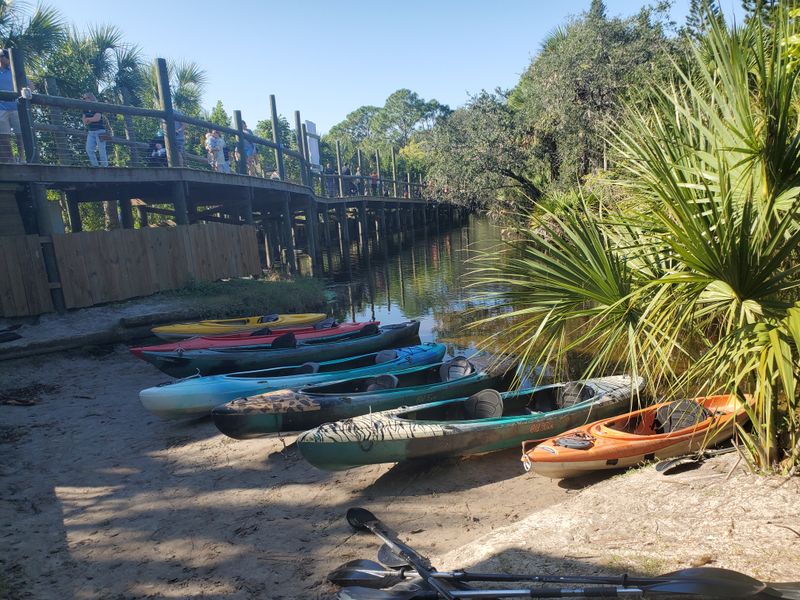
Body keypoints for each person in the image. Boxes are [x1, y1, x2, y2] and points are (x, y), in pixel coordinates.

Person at [0, 49, 21, 163]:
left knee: (20, 134)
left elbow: (29, 85)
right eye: (4, 56)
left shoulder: (15, 72)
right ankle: (10, 159)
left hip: (16, 107)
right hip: (1, 108)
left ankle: (22, 158)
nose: (6, 58)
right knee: (4, 136)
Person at [82, 92, 108, 167]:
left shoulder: (98, 106)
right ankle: (95, 166)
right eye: (83, 98)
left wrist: (88, 119)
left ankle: (105, 167)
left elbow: (97, 118)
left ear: (90, 98)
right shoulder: (85, 108)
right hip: (91, 132)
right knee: (89, 149)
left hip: (101, 131)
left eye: (85, 98)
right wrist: (90, 119)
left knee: (102, 150)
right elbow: (84, 120)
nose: (84, 100)